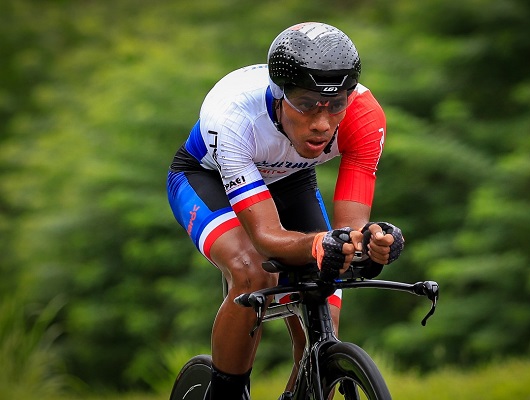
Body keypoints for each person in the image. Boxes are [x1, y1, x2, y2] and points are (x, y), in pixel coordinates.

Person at [166, 22, 404, 399]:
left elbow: (349, 231)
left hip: (290, 181)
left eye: (335, 105)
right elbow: (266, 238)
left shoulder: (364, 117)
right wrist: (315, 245)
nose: (322, 123)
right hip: (206, 177)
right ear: (279, 96)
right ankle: (225, 394)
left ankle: (307, 384)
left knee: (329, 291)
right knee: (253, 271)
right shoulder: (233, 115)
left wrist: (371, 243)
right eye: (307, 104)